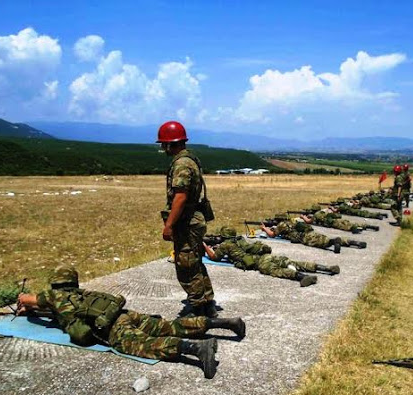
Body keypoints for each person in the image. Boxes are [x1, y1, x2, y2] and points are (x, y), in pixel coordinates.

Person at [16, 266, 246, 379]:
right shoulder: (83, 293)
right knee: (168, 325)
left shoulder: (54, 296)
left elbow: (29, 299)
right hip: (125, 314)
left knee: (144, 345)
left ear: (54, 283)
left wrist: (23, 302)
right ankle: (226, 323)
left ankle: (196, 348)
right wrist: (33, 308)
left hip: (112, 327)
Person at [157, 121, 217, 318]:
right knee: (195, 261)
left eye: (163, 144)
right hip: (194, 219)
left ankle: (199, 308)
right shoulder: (190, 160)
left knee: (186, 265)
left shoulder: (181, 164)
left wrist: (169, 225)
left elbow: (180, 196)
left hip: (187, 221)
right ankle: (207, 303)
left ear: (169, 144)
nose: (162, 148)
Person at [203, 233, 340, 287]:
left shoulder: (226, 245)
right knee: (294, 263)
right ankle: (327, 268)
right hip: (267, 256)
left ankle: (303, 277)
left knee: (278, 271)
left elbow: (214, 257)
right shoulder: (240, 240)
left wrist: (205, 246)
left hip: (260, 263)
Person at [261, 217, 366, 253]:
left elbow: (272, 235)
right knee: (325, 238)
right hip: (309, 232)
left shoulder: (281, 225)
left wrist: (264, 228)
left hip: (304, 237)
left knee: (322, 243)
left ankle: (334, 242)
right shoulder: (291, 221)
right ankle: (354, 242)